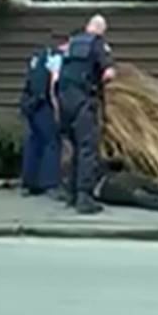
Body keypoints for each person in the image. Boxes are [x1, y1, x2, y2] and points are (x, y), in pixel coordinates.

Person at [57, 14, 116, 214]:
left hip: (65, 102)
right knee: (87, 149)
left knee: (73, 148)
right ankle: (84, 197)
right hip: (84, 102)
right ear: (101, 30)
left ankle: (71, 194)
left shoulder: (72, 43)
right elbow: (108, 73)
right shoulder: (97, 44)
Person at [18, 45, 63, 197]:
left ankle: (29, 182)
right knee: (51, 143)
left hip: (31, 103)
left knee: (34, 142)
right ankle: (49, 183)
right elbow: (53, 85)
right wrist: (57, 108)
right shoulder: (56, 57)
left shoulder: (38, 57)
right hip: (44, 105)